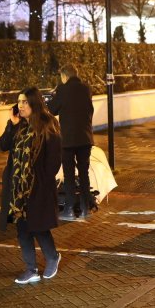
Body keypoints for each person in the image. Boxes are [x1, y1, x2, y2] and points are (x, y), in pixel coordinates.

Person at [0, 87, 63, 284]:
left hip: (37, 186)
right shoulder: (19, 125)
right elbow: (2, 145)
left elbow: (54, 159)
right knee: (22, 228)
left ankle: (52, 257)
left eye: (25, 101)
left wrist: (43, 180)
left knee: (39, 226)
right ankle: (31, 268)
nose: (21, 105)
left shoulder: (47, 124)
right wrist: (12, 123)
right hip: (17, 187)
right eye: (19, 101)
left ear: (34, 103)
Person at [47, 64, 96, 219]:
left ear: (65, 76)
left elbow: (52, 109)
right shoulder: (86, 89)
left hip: (68, 140)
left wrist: (53, 96)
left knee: (69, 175)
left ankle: (69, 208)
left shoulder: (63, 89)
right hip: (85, 138)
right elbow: (89, 110)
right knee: (84, 173)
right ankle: (85, 207)